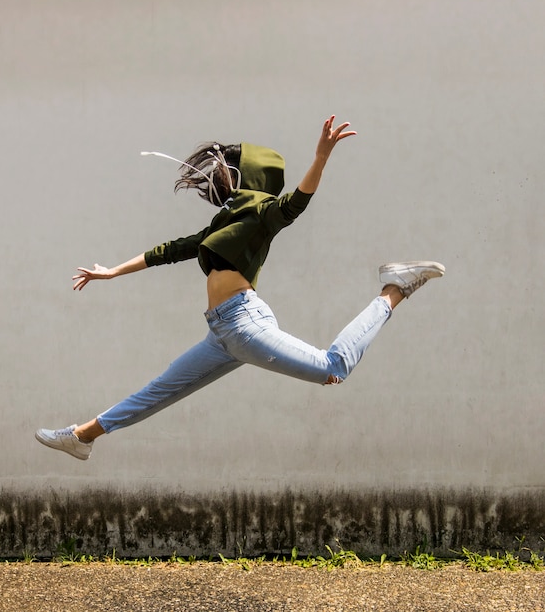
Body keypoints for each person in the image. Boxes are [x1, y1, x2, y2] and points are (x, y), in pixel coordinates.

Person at [36, 116, 445, 460]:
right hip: (221, 331)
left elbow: (296, 203)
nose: (220, 170)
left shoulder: (263, 211)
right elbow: (169, 250)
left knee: (333, 368)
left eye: (230, 165)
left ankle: (395, 288)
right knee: (159, 391)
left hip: (244, 322)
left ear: (247, 174)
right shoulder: (223, 221)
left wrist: (320, 157)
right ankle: (83, 437)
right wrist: (111, 272)